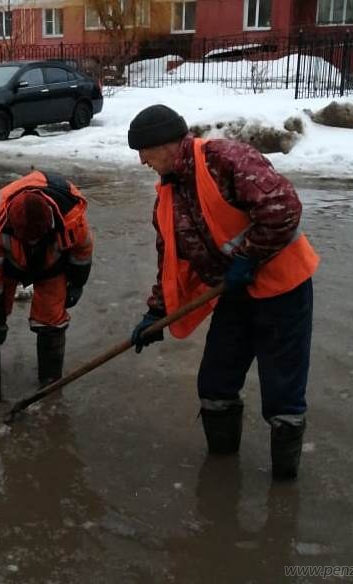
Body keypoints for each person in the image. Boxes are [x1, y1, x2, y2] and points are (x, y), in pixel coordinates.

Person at [127, 104, 319, 480]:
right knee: (215, 384)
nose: (141, 161)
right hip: (235, 295)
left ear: (164, 145)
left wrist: (247, 259)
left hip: (284, 289)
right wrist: (157, 314)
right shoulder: (168, 196)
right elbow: (172, 260)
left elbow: (282, 208)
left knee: (282, 393)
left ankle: (282, 489)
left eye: (143, 152)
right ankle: (220, 473)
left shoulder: (226, 158)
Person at [0, 170, 93, 387]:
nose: (33, 243)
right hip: (8, 263)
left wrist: (77, 282)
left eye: (37, 238)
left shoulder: (72, 216)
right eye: (28, 239)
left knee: (52, 318)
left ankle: (50, 380)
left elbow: (82, 252)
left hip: (52, 265)